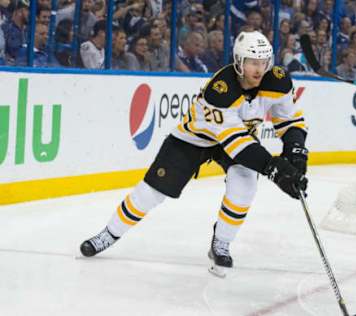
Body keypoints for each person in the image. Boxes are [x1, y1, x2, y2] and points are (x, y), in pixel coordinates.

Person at [79, 31, 309, 278]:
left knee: (244, 187)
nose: (259, 69)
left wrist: (295, 153)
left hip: (238, 138)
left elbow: (289, 120)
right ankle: (109, 233)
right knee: (151, 192)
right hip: (195, 138)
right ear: (239, 62)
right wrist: (275, 170)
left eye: (264, 62)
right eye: (253, 62)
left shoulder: (278, 81)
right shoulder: (221, 90)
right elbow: (237, 145)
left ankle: (221, 243)